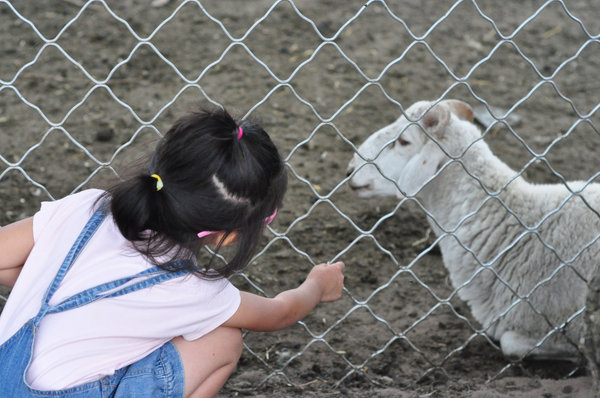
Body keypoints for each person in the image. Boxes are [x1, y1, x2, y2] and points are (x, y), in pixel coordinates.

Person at [0, 107, 345, 398]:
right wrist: (316, 286)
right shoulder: (194, 290)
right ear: (225, 237)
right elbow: (278, 314)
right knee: (222, 342)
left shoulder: (88, 207)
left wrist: (48, 279)